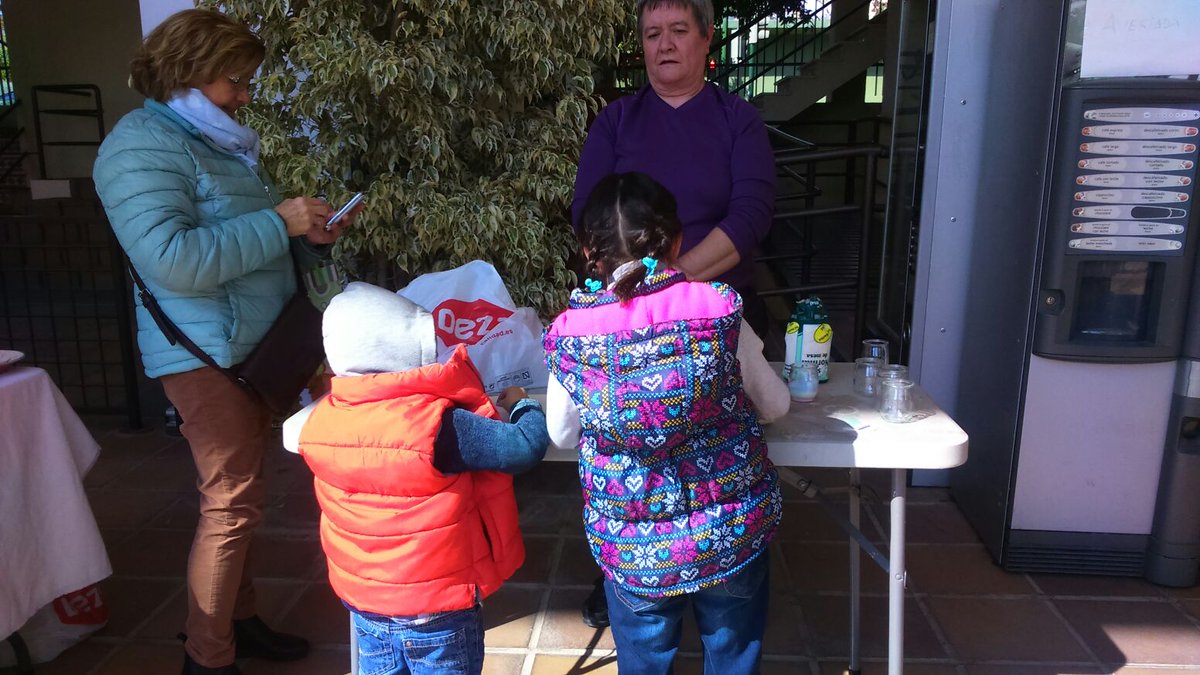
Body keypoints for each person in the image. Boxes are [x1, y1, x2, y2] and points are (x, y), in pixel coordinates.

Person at [92, 9, 357, 674]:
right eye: (235, 81)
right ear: (190, 71)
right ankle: (208, 657)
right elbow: (172, 258)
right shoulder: (138, 147)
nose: (245, 95)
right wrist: (277, 221)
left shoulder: (214, 139)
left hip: (246, 346)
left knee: (242, 496)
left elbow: (241, 235)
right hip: (203, 353)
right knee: (230, 501)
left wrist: (301, 231)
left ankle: (239, 622)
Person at [543, 172, 789, 673]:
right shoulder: (719, 309)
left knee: (644, 659)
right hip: (731, 528)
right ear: (677, 239)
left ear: (589, 249)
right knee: (733, 653)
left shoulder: (571, 332)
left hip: (634, 547)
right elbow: (776, 404)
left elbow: (562, 434)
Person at [287, 282, 549, 675]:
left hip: (366, 605)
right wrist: (521, 403)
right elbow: (523, 448)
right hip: (437, 611)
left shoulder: (321, 420)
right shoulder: (435, 425)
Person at [571, 0, 776, 335]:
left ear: (707, 35)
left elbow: (751, 215)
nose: (665, 44)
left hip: (720, 314)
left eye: (679, 31)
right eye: (653, 34)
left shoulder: (739, 120)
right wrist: (638, 292)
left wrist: (669, 281)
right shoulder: (615, 121)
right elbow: (586, 214)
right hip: (624, 316)